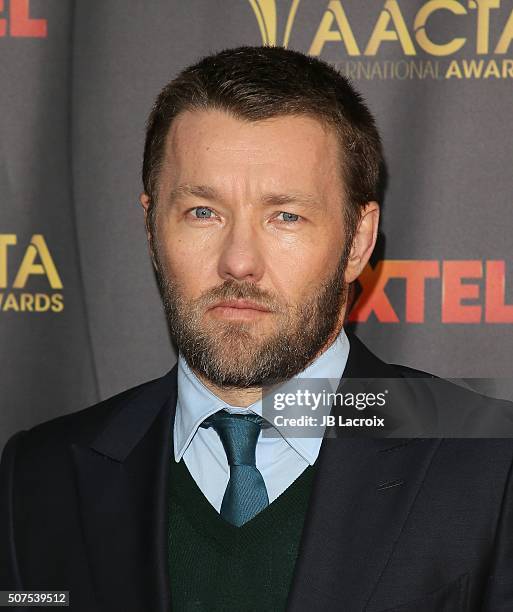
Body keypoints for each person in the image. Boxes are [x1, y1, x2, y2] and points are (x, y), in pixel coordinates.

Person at [1, 45, 512, 612]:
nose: (239, 261)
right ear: (150, 228)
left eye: (285, 216)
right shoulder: (39, 476)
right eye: (203, 212)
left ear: (358, 241)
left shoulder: (490, 469)